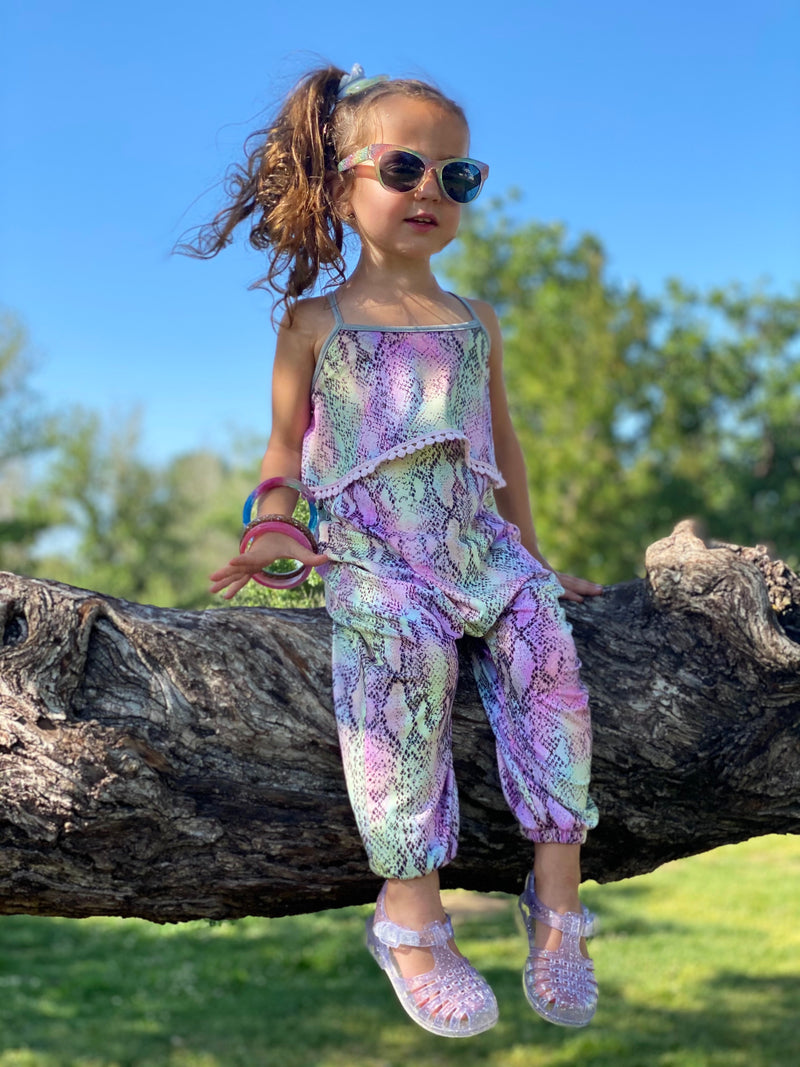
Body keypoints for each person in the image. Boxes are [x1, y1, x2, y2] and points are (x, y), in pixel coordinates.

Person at [199, 62, 602, 1039]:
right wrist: (272, 528)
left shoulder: (474, 320)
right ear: (340, 184)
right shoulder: (314, 321)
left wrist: (532, 562)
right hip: (376, 554)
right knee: (396, 682)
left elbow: (501, 447)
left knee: (548, 664)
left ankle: (557, 903)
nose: (430, 192)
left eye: (455, 178)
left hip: (476, 542)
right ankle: (408, 909)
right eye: (405, 168)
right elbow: (282, 451)